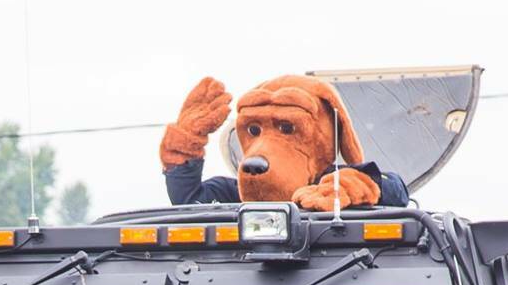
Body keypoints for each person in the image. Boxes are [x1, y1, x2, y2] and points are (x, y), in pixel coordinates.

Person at [159, 75, 408, 211]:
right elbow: (190, 202)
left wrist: (354, 187)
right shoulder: (237, 195)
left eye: (287, 128)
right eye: (254, 130)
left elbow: (395, 189)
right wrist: (184, 147)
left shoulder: (330, 184)